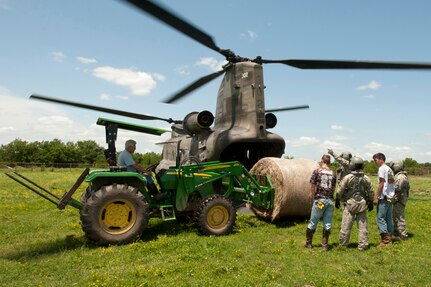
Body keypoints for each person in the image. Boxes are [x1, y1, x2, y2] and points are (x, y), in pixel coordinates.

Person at [335, 157, 374, 251]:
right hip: (362, 204)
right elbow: (371, 191)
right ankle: (363, 245)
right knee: (363, 226)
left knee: (346, 225)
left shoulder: (347, 177)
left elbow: (340, 190)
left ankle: (343, 244)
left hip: (349, 204)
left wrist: (337, 199)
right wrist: (371, 202)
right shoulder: (366, 178)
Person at [304, 154, 336, 251]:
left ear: (322, 161)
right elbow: (333, 188)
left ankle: (308, 243)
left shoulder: (317, 171)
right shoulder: (333, 173)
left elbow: (313, 186)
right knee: (327, 223)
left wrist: (313, 197)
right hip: (330, 201)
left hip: (320, 201)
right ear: (329, 162)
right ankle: (325, 246)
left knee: (313, 221)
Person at [372, 152, 395, 247]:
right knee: (388, 218)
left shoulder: (381, 169)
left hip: (384, 197)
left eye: (375, 160)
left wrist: (376, 197)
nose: (375, 162)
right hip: (390, 197)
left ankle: (385, 240)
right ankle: (390, 238)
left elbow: (381, 183)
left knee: (380, 218)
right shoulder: (389, 169)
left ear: (381, 159)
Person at [390, 160, 410, 241]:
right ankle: (397, 232)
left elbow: (398, 189)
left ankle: (403, 235)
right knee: (395, 216)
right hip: (399, 199)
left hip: (399, 200)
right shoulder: (401, 176)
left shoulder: (400, 177)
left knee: (399, 217)